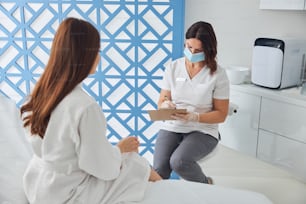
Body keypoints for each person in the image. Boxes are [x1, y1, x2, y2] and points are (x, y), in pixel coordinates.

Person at [20, 17, 161, 204]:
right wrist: (120, 150)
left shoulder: (38, 96)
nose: (99, 57)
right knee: (135, 163)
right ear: (84, 55)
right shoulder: (85, 107)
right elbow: (100, 167)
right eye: (97, 51)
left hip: (37, 186)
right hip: (67, 194)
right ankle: (170, 191)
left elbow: (68, 151)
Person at [153, 21, 230, 184]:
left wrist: (195, 117)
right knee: (159, 171)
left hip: (203, 129)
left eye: (198, 50)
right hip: (173, 125)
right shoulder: (173, 68)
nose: (192, 52)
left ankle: (206, 185)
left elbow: (221, 114)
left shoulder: (217, 74)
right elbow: (163, 99)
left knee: (179, 161)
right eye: (189, 47)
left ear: (208, 50)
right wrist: (165, 105)